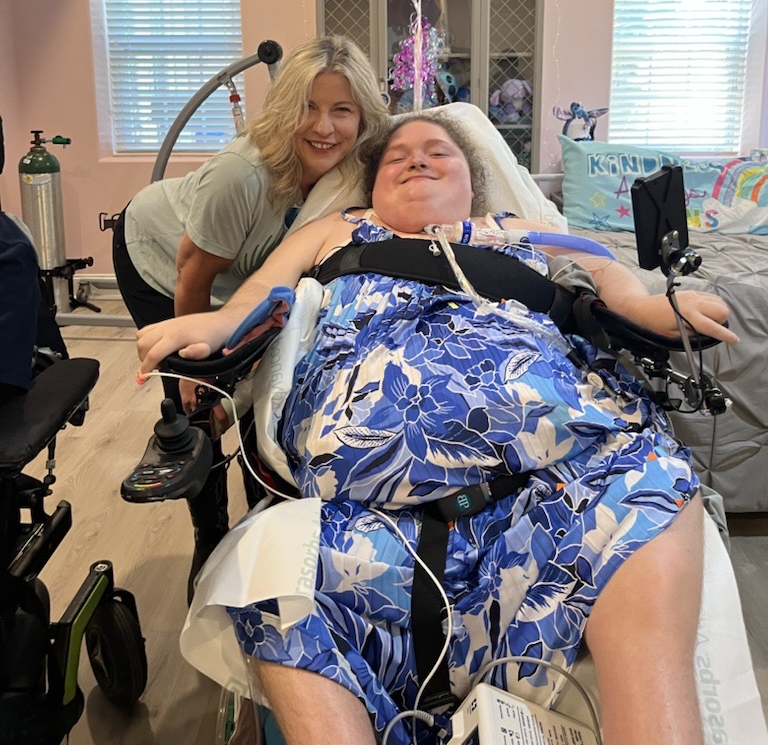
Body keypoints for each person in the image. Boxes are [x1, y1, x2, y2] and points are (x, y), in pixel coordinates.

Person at [136, 115, 736, 745]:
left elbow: (611, 280)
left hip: (559, 482)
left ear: (473, 184)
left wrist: (659, 311)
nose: (416, 160)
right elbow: (258, 295)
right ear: (372, 188)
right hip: (367, 503)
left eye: (437, 152)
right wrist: (213, 325)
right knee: (269, 568)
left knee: (655, 485)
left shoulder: (522, 231)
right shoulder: (337, 229)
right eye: (396, 156)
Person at [114, 35, 389, 599]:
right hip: (161, 257)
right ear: (285, 108)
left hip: (245, 277)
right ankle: (210, 537)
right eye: (308, 107)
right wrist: (196, 375)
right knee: (200, 403)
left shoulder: (354, 169)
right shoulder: (244, 173)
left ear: (362, 117)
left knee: (261, 389)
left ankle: (260, 525)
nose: (324, 126)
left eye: (342, 110)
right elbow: (192, 270)